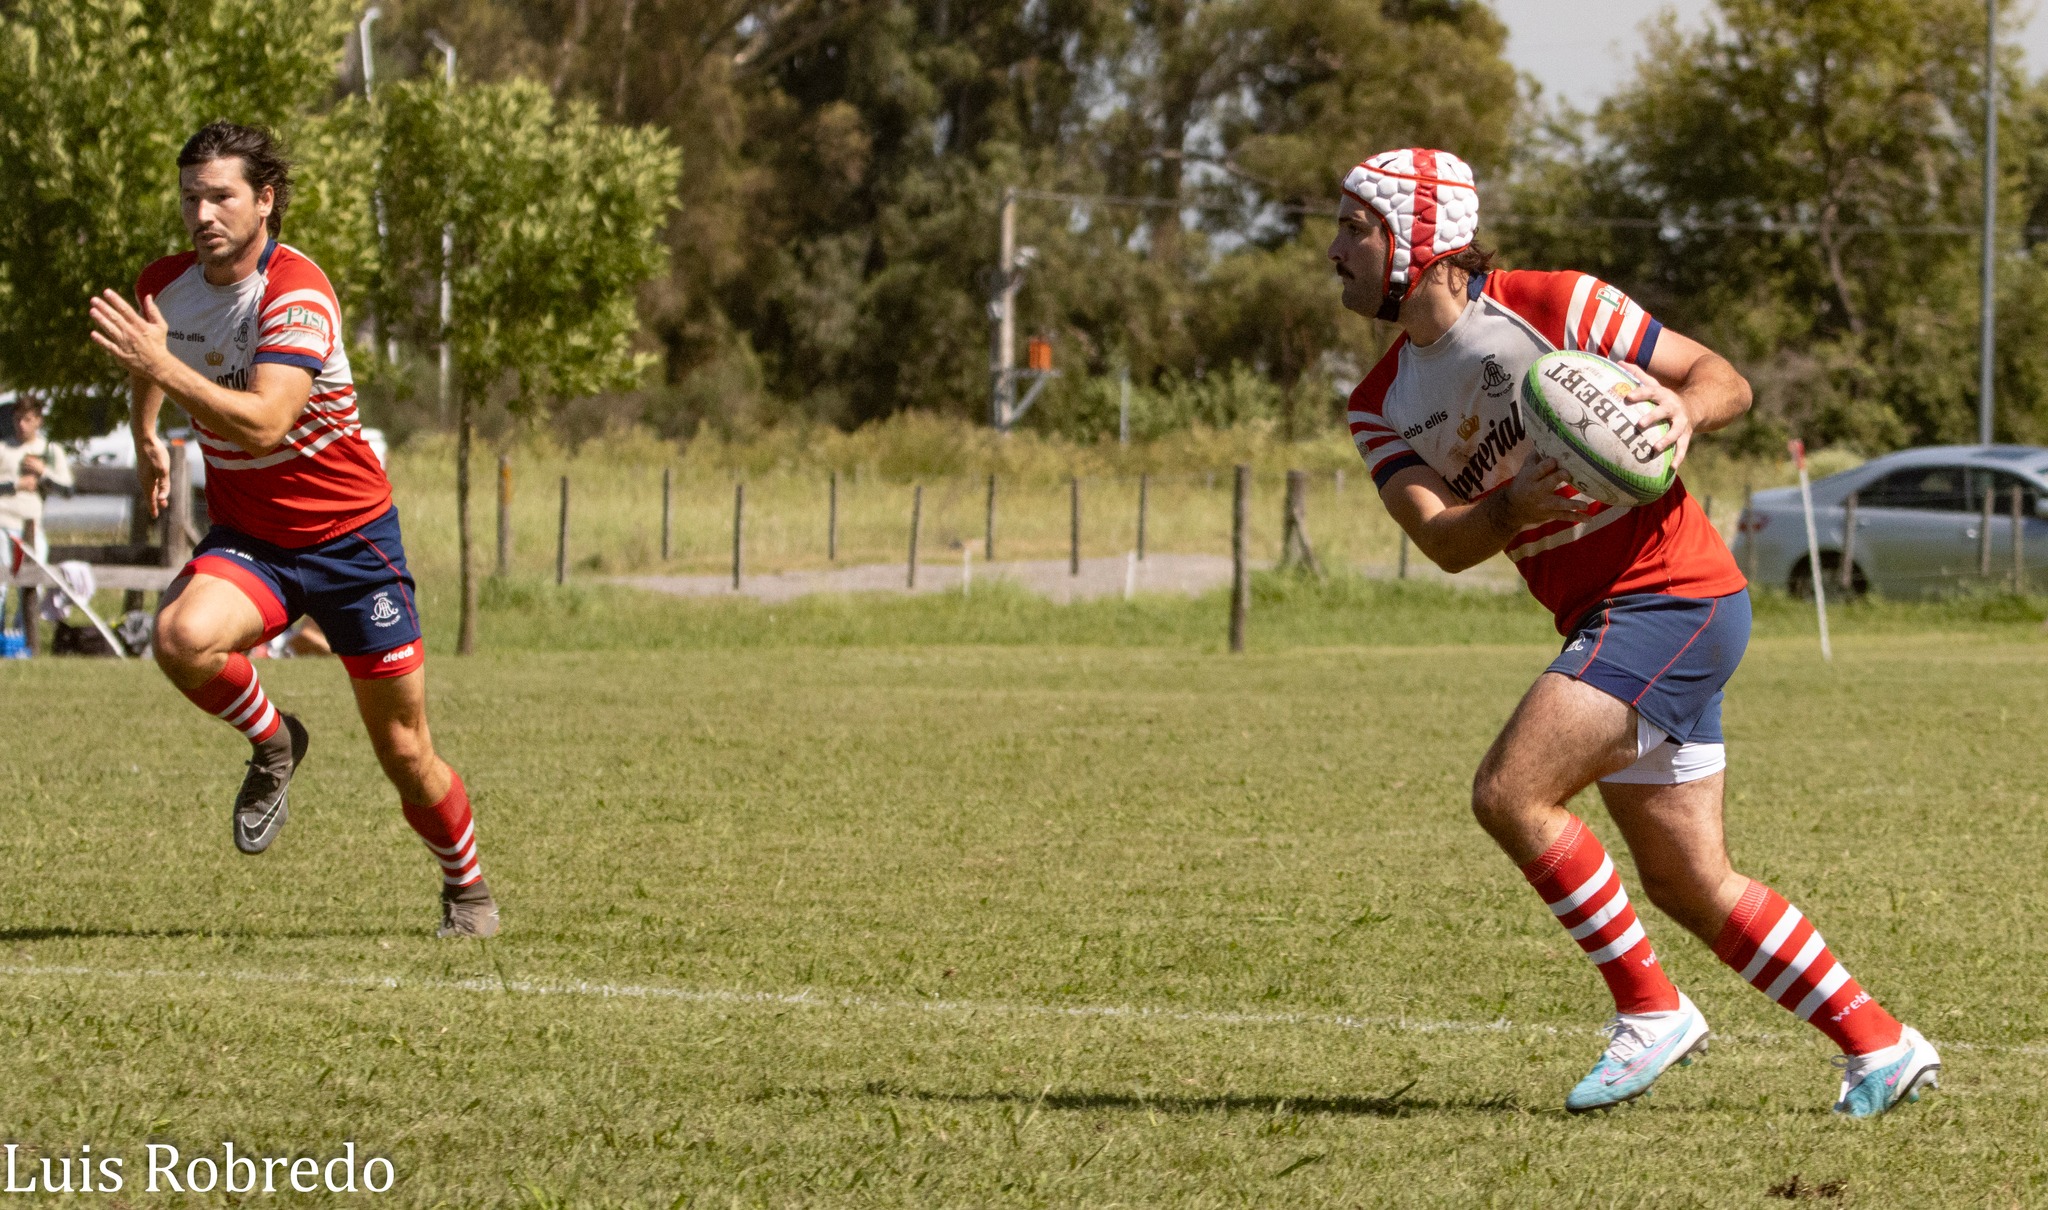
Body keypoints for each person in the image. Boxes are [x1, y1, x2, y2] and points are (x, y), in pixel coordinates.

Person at [1332, 148, 1937, 1117]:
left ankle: (1651, 1009)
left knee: (1508, 792)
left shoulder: (1555, 302)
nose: (1334, 251)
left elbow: (1719, 377)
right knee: (1689, 883)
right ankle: (1879, 1045)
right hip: (1607, 618)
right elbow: (1442, 541)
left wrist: (1683, 408)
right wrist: (1511, 508)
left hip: (1671, 593)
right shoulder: (1376, 404)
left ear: (1419, 233)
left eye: (1353, 227)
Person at [86, 121, 498, 939]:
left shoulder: (297, 292)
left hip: (353, 545)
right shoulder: (164, 284)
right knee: (178, 637)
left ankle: (468, 888)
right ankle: (275, 742)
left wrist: (164, 370)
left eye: (221, 197)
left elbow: (267, 424)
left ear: (265, 200)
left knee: (406, 750)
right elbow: (150, 357)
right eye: (190, 198)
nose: (202, 214)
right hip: (255, 541)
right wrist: (145, 436)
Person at [0, 394, 76, 633]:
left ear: (38, 421)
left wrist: (44, 472)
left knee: (34, 583)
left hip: (31, 527)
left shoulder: (49, 451)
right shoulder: (4, 448)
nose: (21, 425)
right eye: (18, 419)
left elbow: (67, 490)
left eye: (28, 419)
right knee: (1, 584)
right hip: (2, 522)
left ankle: (23, 636)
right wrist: (16, 484)